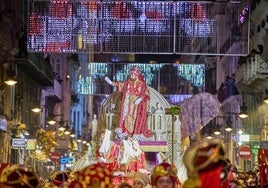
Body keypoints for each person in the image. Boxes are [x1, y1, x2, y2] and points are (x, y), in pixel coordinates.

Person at [105, 66, 152, 138]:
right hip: (128, 104)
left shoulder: (142, 84)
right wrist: (110, 82)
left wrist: (140, 99)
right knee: (127, 117)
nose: (131, 76)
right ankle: (126, 132)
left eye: (133, 74)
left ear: (137, 75)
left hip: (137, 106)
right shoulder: (127, 83)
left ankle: (136, 133)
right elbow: (119, 84)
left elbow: (146, 94)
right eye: (131, 74)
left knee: (136, 118)